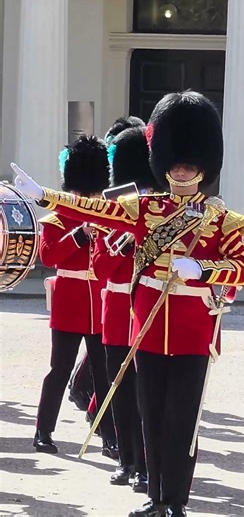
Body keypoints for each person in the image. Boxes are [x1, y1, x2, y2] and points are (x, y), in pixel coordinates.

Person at [12, 90, 244, 517]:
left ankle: (177, 500)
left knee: (182, 424)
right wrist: (45, 195)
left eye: (190, 163)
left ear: (203, 167)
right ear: (164, 163)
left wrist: (202, 269)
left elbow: (242, 269)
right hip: (147, 331)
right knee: (151, 418)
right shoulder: (142, 209)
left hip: (194, 332)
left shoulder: (221, 219)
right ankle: (156, 497)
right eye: (176, 162)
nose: (182, 169)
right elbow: (91, 207)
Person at [32, 135, 118, 459]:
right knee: (59, 369)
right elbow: (49, 256)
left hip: (100, 304)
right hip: (69, 303)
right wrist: (80, 235)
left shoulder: (108, 216)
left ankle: (109, 436)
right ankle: (43, 430)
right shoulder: (57, 217)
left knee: (104, 374)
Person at [92, 125, 163, 493]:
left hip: (143, 309)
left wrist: (138, 244)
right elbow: (102, 268)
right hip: (115, 309)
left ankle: (148, 467)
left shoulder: (156, 217)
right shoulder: (113, 213)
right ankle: (126, 460)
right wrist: (119, 247)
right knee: (118, 392)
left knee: (143, 394)